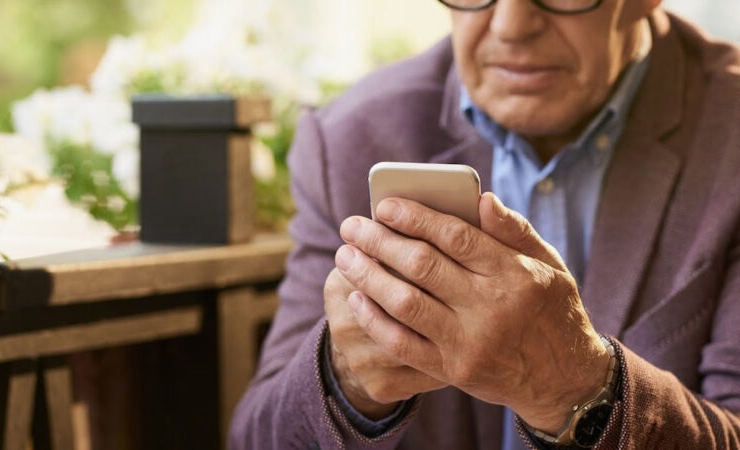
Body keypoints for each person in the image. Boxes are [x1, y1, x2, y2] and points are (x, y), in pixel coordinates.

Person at [231, 0, 740, 448]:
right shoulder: (349, 140)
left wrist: (579, 386)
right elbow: (254, 439)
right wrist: (347, 381)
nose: (512, 25)